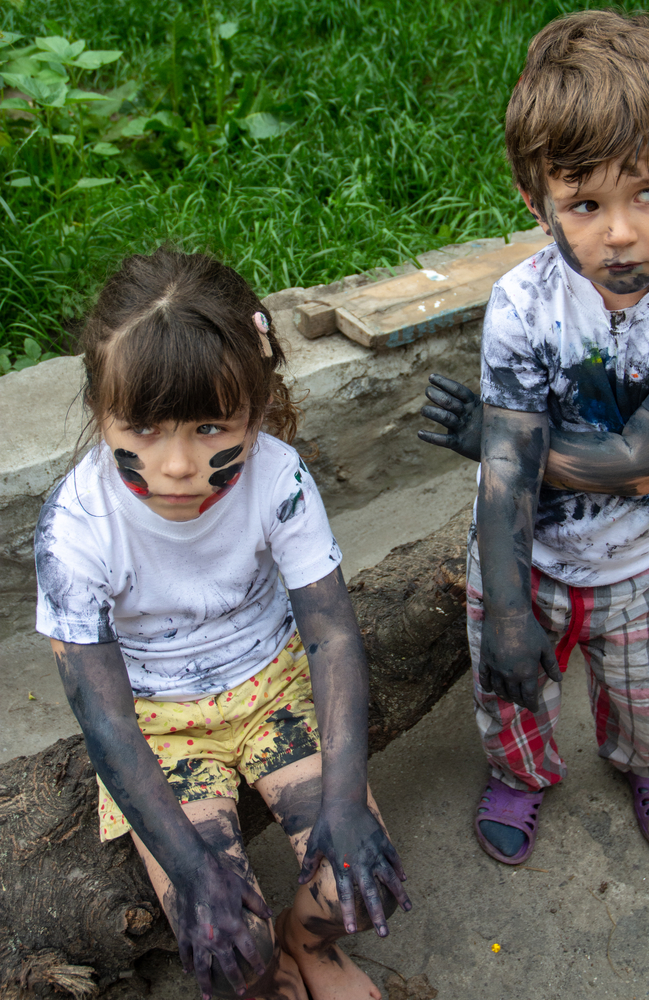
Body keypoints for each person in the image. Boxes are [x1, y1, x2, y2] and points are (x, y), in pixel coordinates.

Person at [418, 10, 649, 865]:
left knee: (645, 691)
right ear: (535, 201)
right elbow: (504, 485)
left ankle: (647, 760)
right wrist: (503, 608)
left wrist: (498, 441)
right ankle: (520, 774)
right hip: (527, 556)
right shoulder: (521, 307)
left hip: (642, 561)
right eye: (583, 202)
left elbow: (644, 464)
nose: (617, 232)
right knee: (511, 688)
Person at [35, 247, 411, 1000]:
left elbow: (332, 633)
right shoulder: (77, 528)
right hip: (156, 723)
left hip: (273, 690)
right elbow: (105, 720)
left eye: (211, 427)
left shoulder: (278, 478)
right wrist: (191, 868)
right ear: (98, 408)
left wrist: (344, 797)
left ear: (257, 404)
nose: (176, 464)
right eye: (143, 428)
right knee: (227, 945)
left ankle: (308, 945)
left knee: (353, 885)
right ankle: (267, 964)